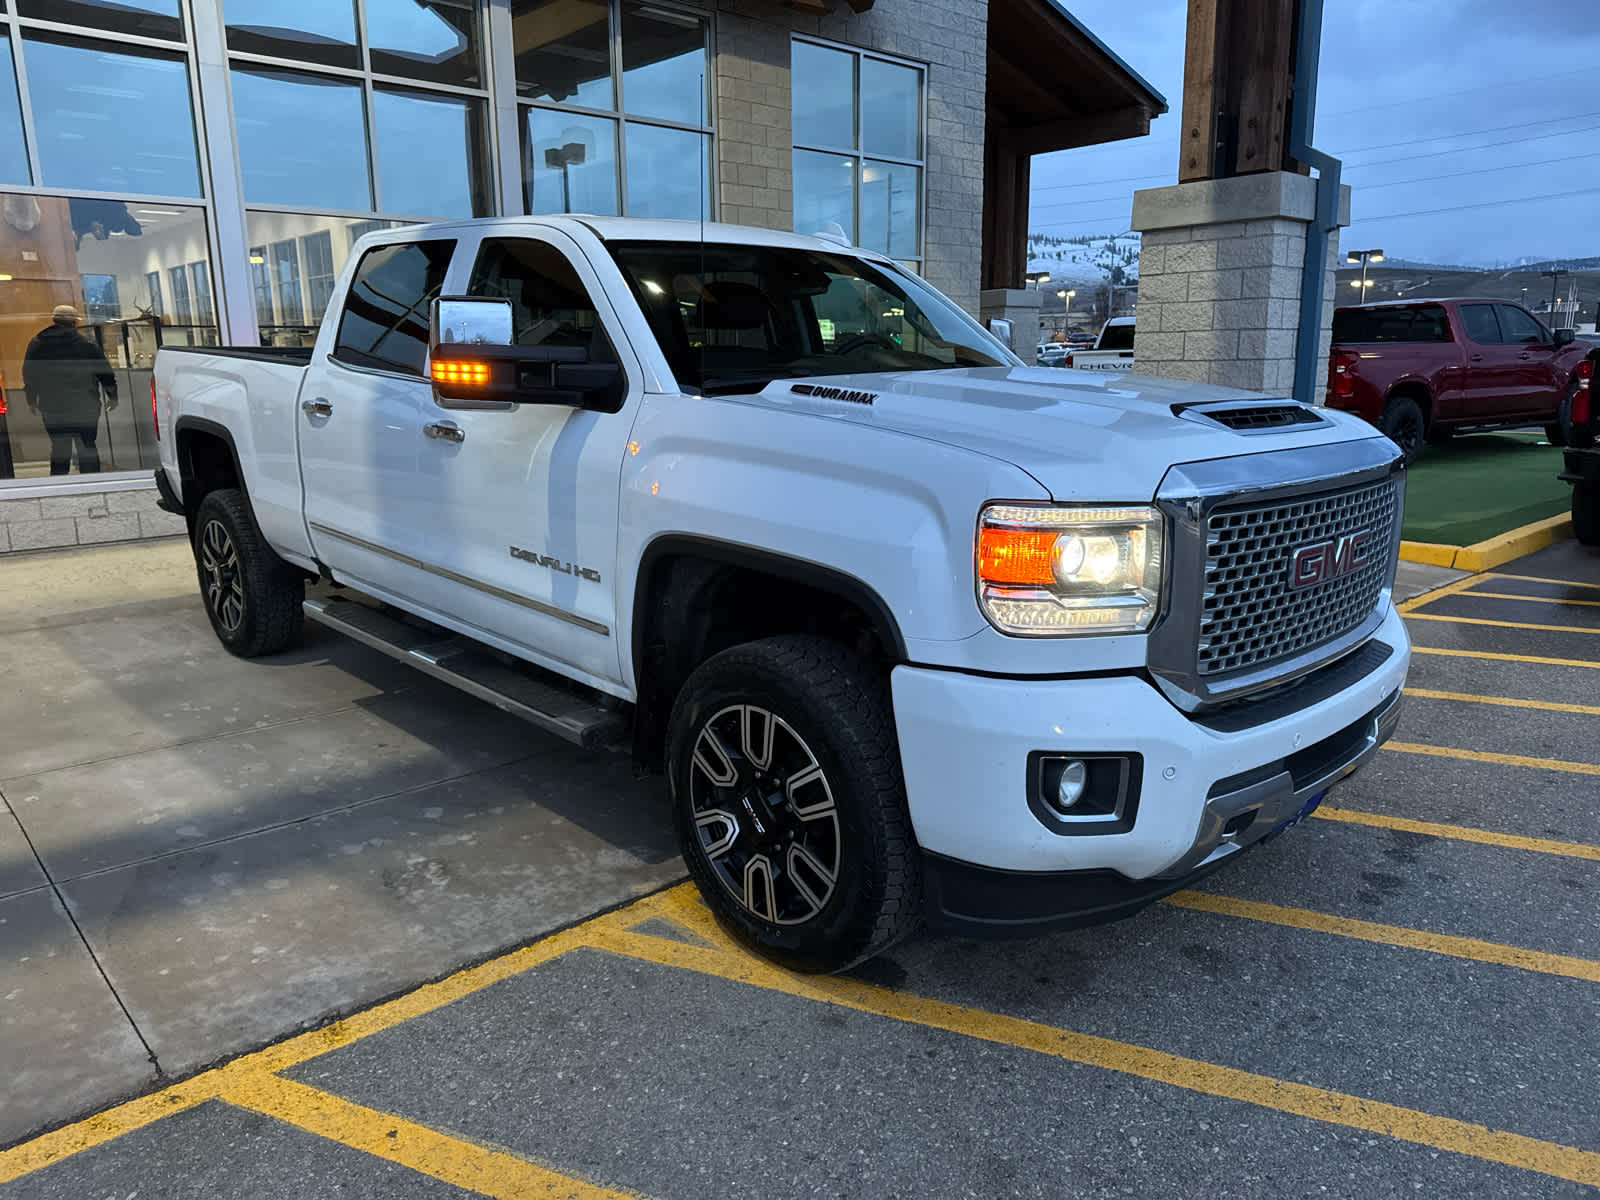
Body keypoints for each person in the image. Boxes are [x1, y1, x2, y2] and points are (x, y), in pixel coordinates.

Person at [22, 304, 118, 475]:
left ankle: (59, 486)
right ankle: (91, 484)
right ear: (74, 321)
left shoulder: (37, 343)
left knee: (60, 447)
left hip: (52, 406)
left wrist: (31, 400)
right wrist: (112, 395)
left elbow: (29, 374)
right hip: (85, 405)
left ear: (53, 319)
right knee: (87, 445)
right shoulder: (86, 343)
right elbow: (104, 371)